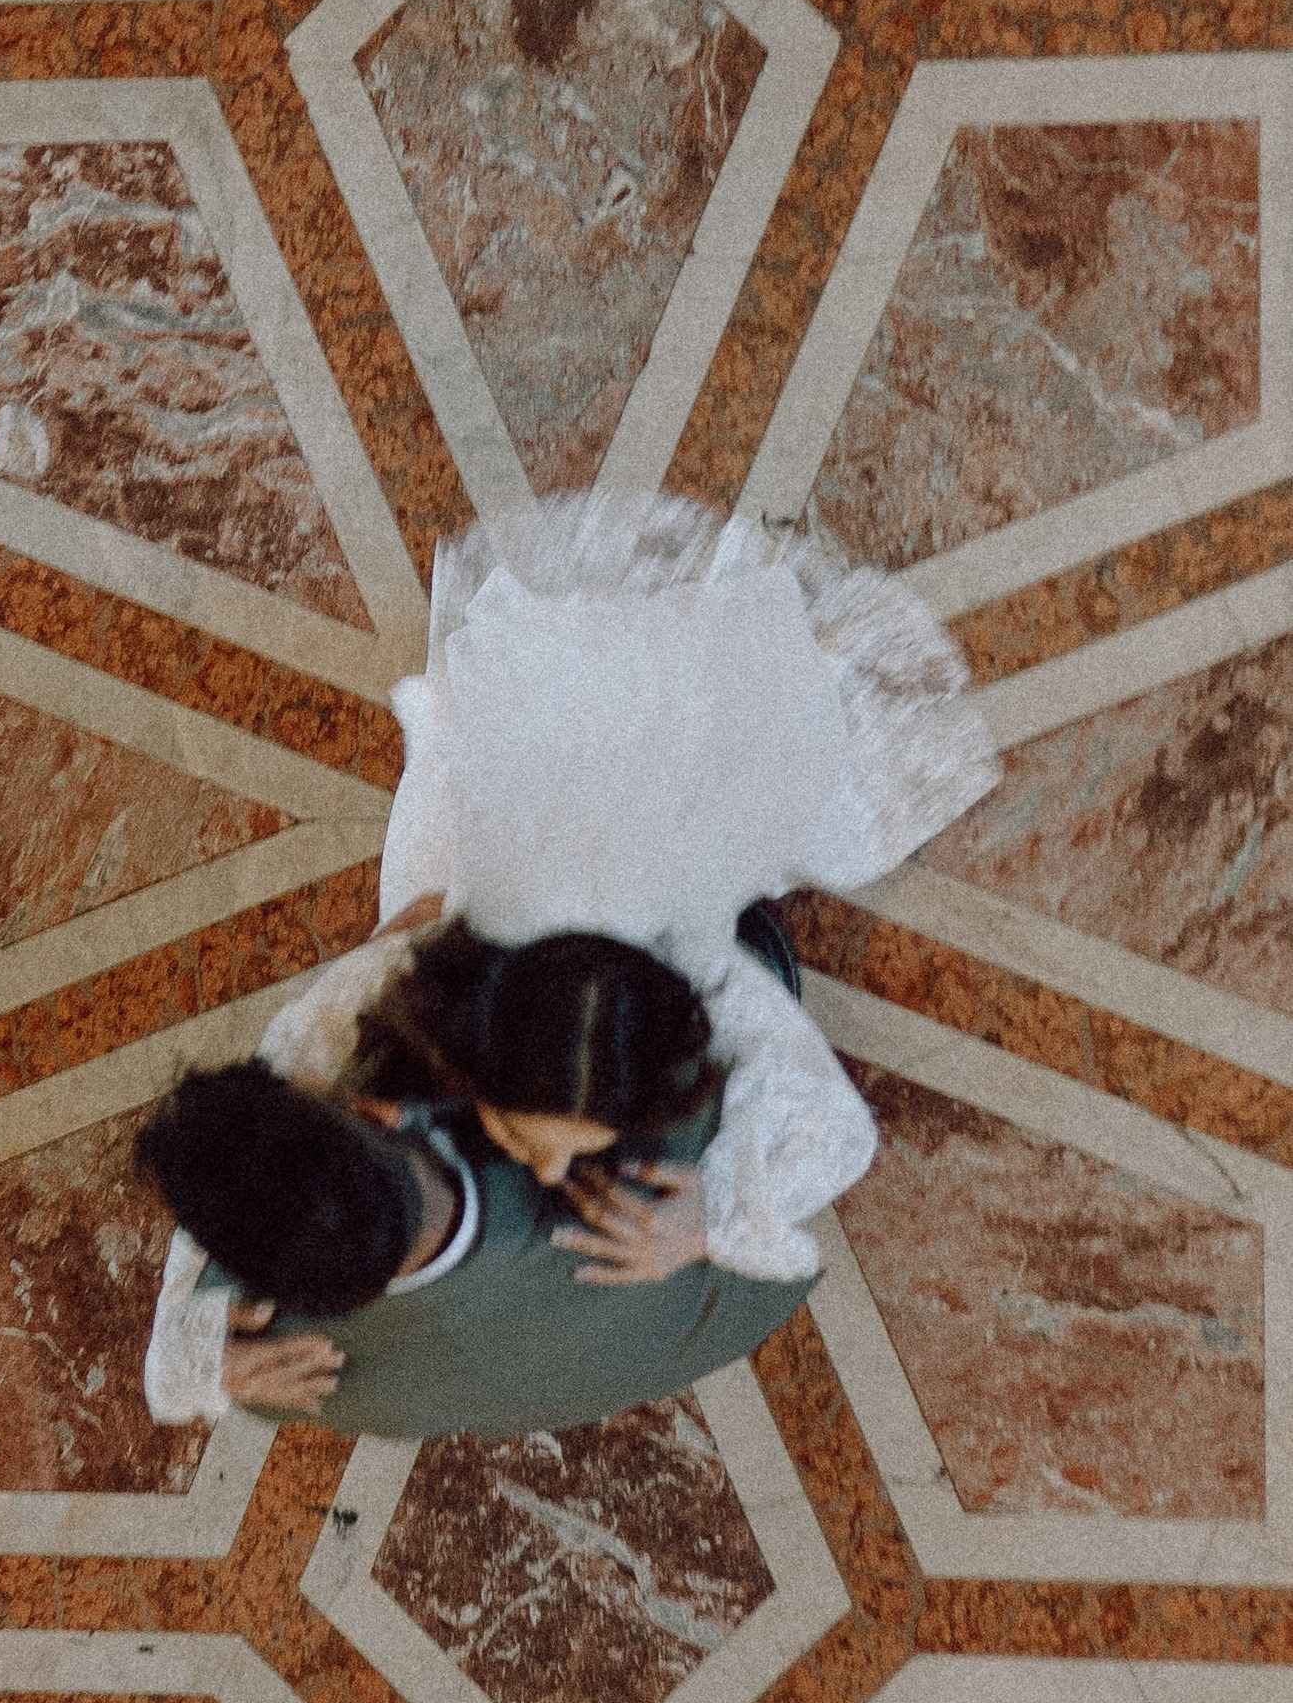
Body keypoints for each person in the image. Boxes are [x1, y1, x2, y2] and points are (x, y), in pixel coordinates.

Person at [139, 489, 997, 1438]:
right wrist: (405, 945)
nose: (549, 1170)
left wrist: (706, 1220)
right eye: (531, 1136)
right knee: (428, 886)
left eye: (557, 1146)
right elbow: (275, 1108)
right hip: (483, 925)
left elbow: (842, 1133)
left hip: (642, 912)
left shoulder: (696, 966)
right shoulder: (377, 1008)